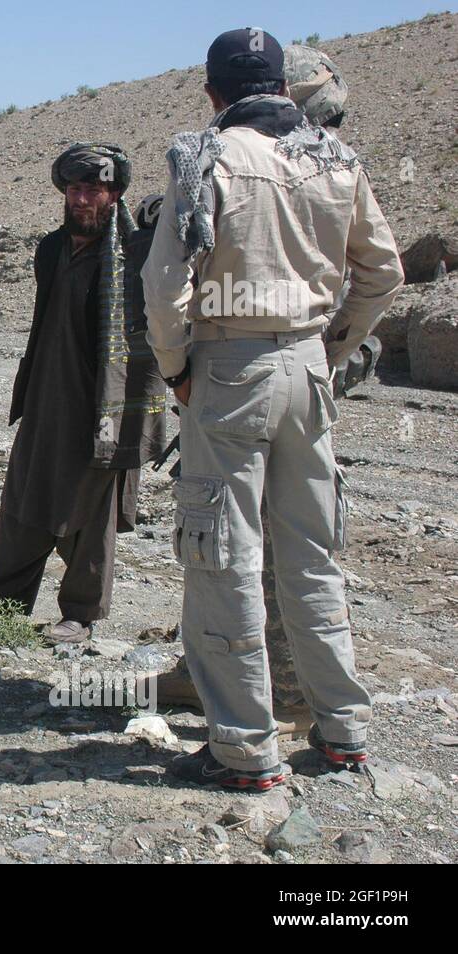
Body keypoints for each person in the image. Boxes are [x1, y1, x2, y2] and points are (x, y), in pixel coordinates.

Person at [141, 28, 404, 789]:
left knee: (222, 555)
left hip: (229, 367)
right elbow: (382, 272)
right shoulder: (337, 158)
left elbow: (165, 285)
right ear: (283, 87)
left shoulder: (206, 154)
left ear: (213, 89)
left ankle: (243, 748)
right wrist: (334, 345)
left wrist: (176, 369)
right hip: (307, 368)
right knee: (312, 557)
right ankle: (343, 731)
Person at [0, 143, 166, 645]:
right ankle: (2, 601)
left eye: (94, 190)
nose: (82, 199)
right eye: (75, 189)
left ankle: (80, 613)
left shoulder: (135, 256)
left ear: (113, 195)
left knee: (93, 508)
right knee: (26, 493)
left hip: (105, 403)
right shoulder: (51, 249)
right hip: (47, 395)